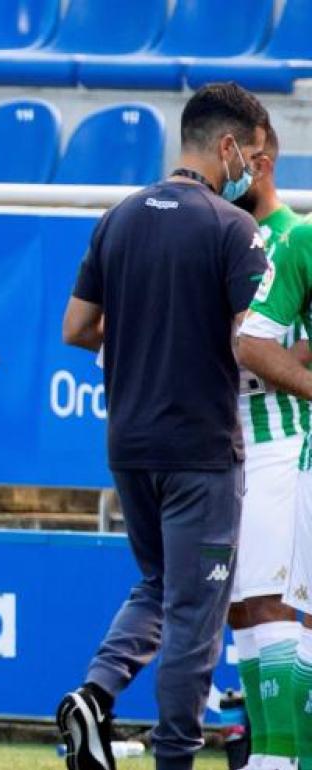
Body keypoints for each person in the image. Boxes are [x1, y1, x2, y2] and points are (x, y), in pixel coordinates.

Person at [59, 82, 271, 770]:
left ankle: (93, 696)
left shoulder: (119, 217)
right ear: (230, 147)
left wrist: (144, 326)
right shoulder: (233, 229)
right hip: (201, 448)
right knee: (194, 614)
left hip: (129, 441)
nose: (251, 170)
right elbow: (251, 343)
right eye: (253, 155)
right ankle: (175, 757)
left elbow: (76, 329)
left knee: (156, 587)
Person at [228, 123, 306, 770]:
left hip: (281, 442)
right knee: (245, 606)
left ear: (260, 162)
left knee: (277, 601)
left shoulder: (290, 238)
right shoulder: (227, 235)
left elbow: (283, 347)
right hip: (224, 444)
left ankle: (279, 756)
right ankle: (269, 750)